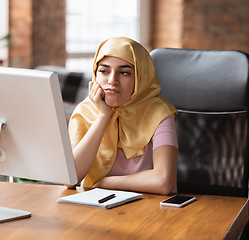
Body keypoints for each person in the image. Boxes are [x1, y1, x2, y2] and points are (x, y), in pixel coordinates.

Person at [68, 37, 178, 195]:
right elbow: (71, 179)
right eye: (104, 71)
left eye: (124, 73)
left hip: (150, 209)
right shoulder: (84, 112)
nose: (112, 81)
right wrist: (103, 116)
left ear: (140, 79)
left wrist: (106, 182)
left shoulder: (159, 112)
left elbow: (163, 181)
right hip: (96, 208)